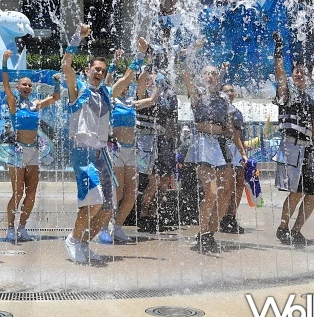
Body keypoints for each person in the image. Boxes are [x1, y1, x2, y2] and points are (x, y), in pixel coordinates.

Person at [61, 24, 146, 264]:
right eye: (95, 69)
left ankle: (83, 244)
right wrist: (77, 37)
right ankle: (73, 239)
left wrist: (140, 55)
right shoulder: (77, 90)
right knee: (93, 201)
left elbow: (129, 77)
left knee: (108, 207)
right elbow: (66, 65)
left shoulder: (108, 92)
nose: (98, 73)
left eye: (102, 70)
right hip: (82, 152)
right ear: (88, 70)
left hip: (101, 154)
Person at [0, 49, 61, 243]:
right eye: (24, 84)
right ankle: (10, 228)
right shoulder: (13, 103)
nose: (27, 87)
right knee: (18, 192)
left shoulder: (35, 104)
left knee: (31, 191)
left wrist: (57, 81)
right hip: (16, 151)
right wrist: (5, 61)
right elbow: (5, 84)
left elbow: (56, 97)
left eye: (29, 85)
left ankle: (22, 227)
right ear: (18, 86)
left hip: (34, 150)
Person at [97, 46, 157, 244]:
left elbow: (151, 100)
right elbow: (108, 83)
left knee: (131, 194)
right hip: (115, 150)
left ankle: (118, 227)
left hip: (131, 151)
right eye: (122, 82)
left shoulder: (130, 102)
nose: (125, 85)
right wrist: (113, 63)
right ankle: (103, 227)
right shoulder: (111, 100)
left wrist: (155, 79)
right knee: (118, 192)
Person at [181, 44, 234, 255]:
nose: (211, 76)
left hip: (219, 145)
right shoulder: (196, 95)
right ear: (202, 77)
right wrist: (191, 51)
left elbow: (229, 128)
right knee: (211, 192)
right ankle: (203, 233)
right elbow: (185, 74)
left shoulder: (222, 100)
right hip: (202, 143)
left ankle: (210, 231)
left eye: (214, 74)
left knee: (225, 193)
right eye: (207, 73)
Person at [272, 32, 314, 248]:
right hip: (292, 146)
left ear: (309, 76)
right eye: (297, 71)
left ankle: (296, 230)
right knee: (297, 190)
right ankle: (282, 227)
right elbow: (279, 74)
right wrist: (278, 51)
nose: (299, 74)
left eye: (303, 72)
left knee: (312, 193)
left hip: (310, 147)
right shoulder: (287, 93)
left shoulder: (313, 98)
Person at [136, 69, 179, 233]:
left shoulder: (167, 98)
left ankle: (154, 214)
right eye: (152, 80)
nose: (156, 82)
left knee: (163, 181)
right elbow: (142, 86)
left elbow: (171, 122)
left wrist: (172, 144)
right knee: (153, 179)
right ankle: (144, 215)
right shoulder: (141, 94)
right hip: (147, 141)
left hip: (163, 141)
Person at [220, 83, 249, 234]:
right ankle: (222, 216)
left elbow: (239, 136)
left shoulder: (238, 112)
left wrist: (244, 154)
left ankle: (231, 216)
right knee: (227, 185)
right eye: (226, 91)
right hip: (223, 149)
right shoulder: (219, 109)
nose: (229, 93)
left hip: (236, 150)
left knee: (239, 183)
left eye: (231, 90)